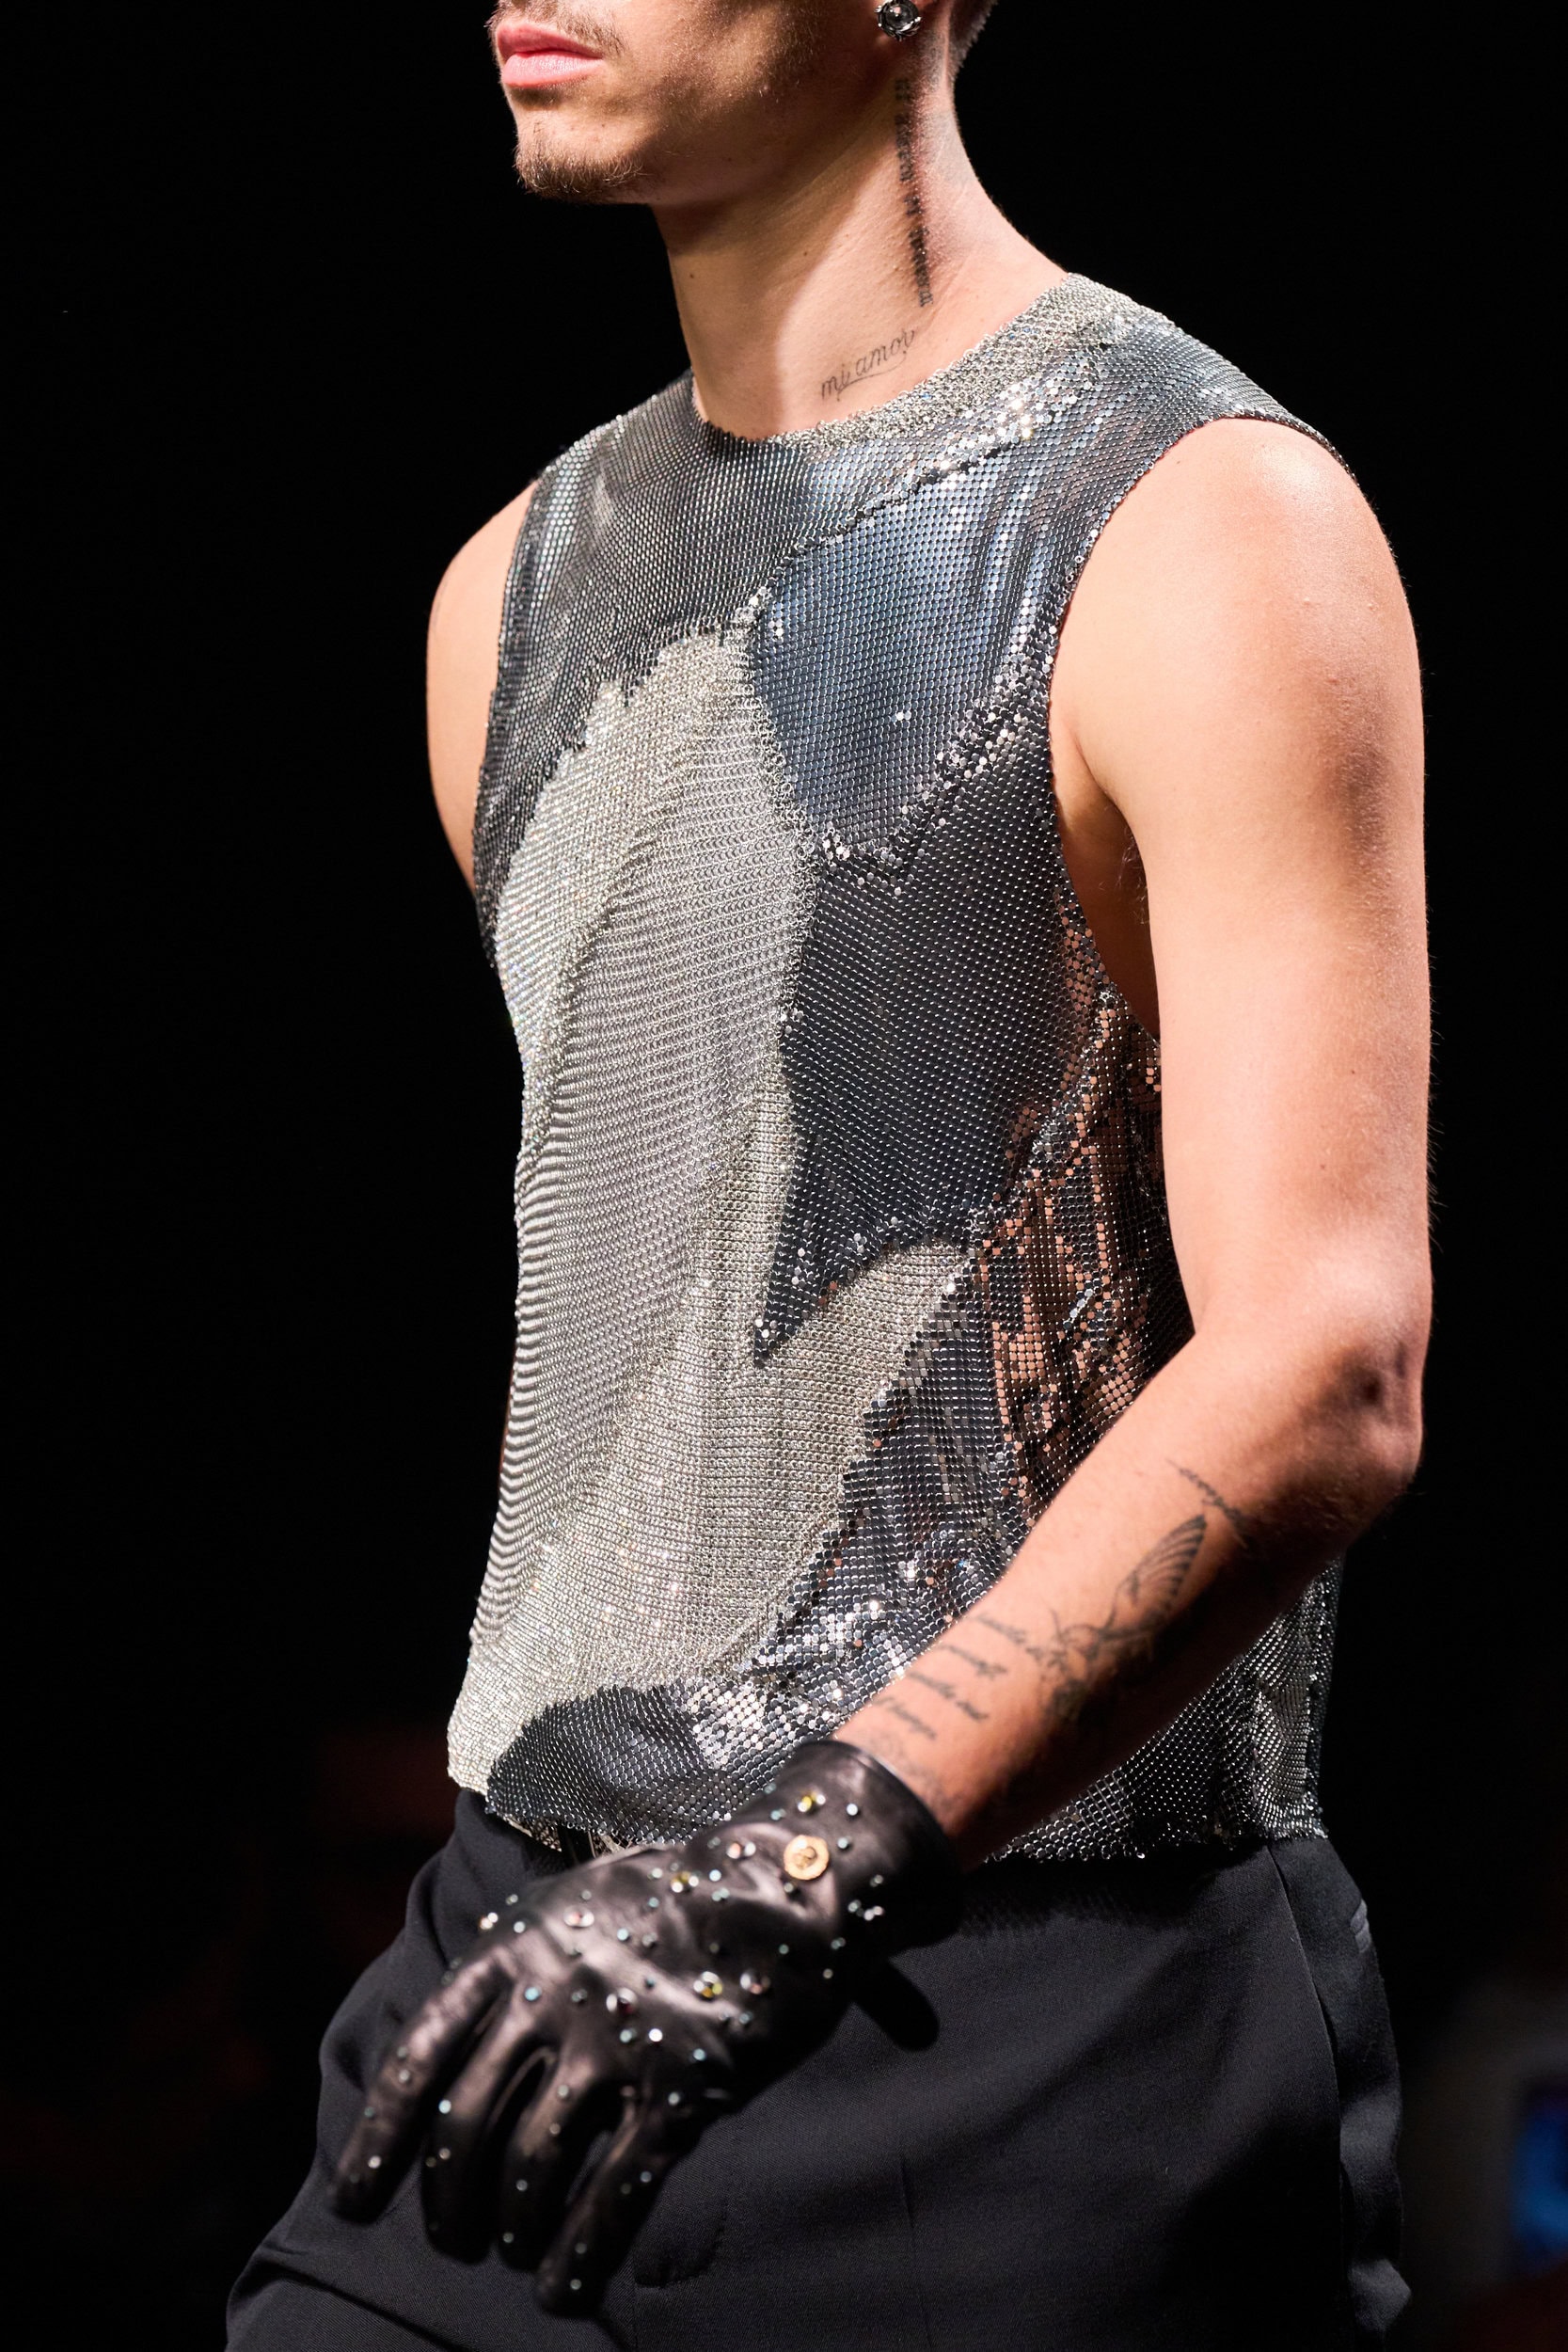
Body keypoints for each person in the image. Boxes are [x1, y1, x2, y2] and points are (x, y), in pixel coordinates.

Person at [228, 3, 1430, 2344]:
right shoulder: (510, 592)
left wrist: (808, 1849)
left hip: (1037, 2014)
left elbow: (1329, 1359)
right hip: (537, 1959)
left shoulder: (1197, 523)